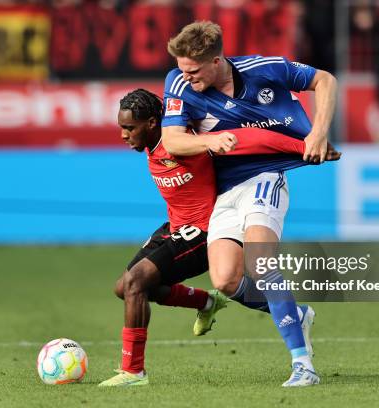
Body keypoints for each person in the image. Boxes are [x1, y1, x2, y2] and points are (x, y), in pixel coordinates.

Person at [99, 88, 340, 387]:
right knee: (125, 288)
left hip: (204, 229)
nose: (123, 135)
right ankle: (206, 302)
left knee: (138, 283)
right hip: (175, 226)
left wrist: (302, 147)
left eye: (128, 128)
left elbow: (252, 139)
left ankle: (133, 372)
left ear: (151, 123)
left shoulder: (187, 140)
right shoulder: (152, 141)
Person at [162, 21, 338, 387]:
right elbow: (174, 141)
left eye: (193, 71)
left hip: (265, 178)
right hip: (225, 191)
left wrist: (319, 132)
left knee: (261, 264)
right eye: (182, 69)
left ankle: (303, 364)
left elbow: (325, 80)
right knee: (225, 280)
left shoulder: (265, 69)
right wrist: (209, 143)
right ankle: (296, 313)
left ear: (216, 61)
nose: (186, 77)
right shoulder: (179, 82)